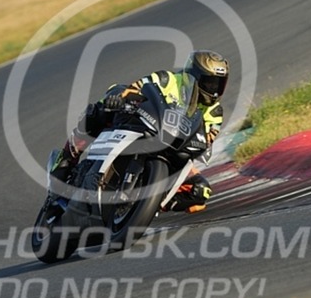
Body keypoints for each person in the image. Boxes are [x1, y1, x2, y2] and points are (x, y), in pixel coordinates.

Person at [50, 50, 229, 213]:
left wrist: (202, 145)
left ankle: (151, 203)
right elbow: (137, 87)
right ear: (194, 76)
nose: (214, 90)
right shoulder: (168, 79)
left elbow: (207, 139)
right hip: (144, 125)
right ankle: (66, 160)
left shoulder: (215, 112)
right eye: (210, 83)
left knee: (202, 192)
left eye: (219, 84)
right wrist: (121, 98)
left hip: (175, 149)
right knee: (103, 105)